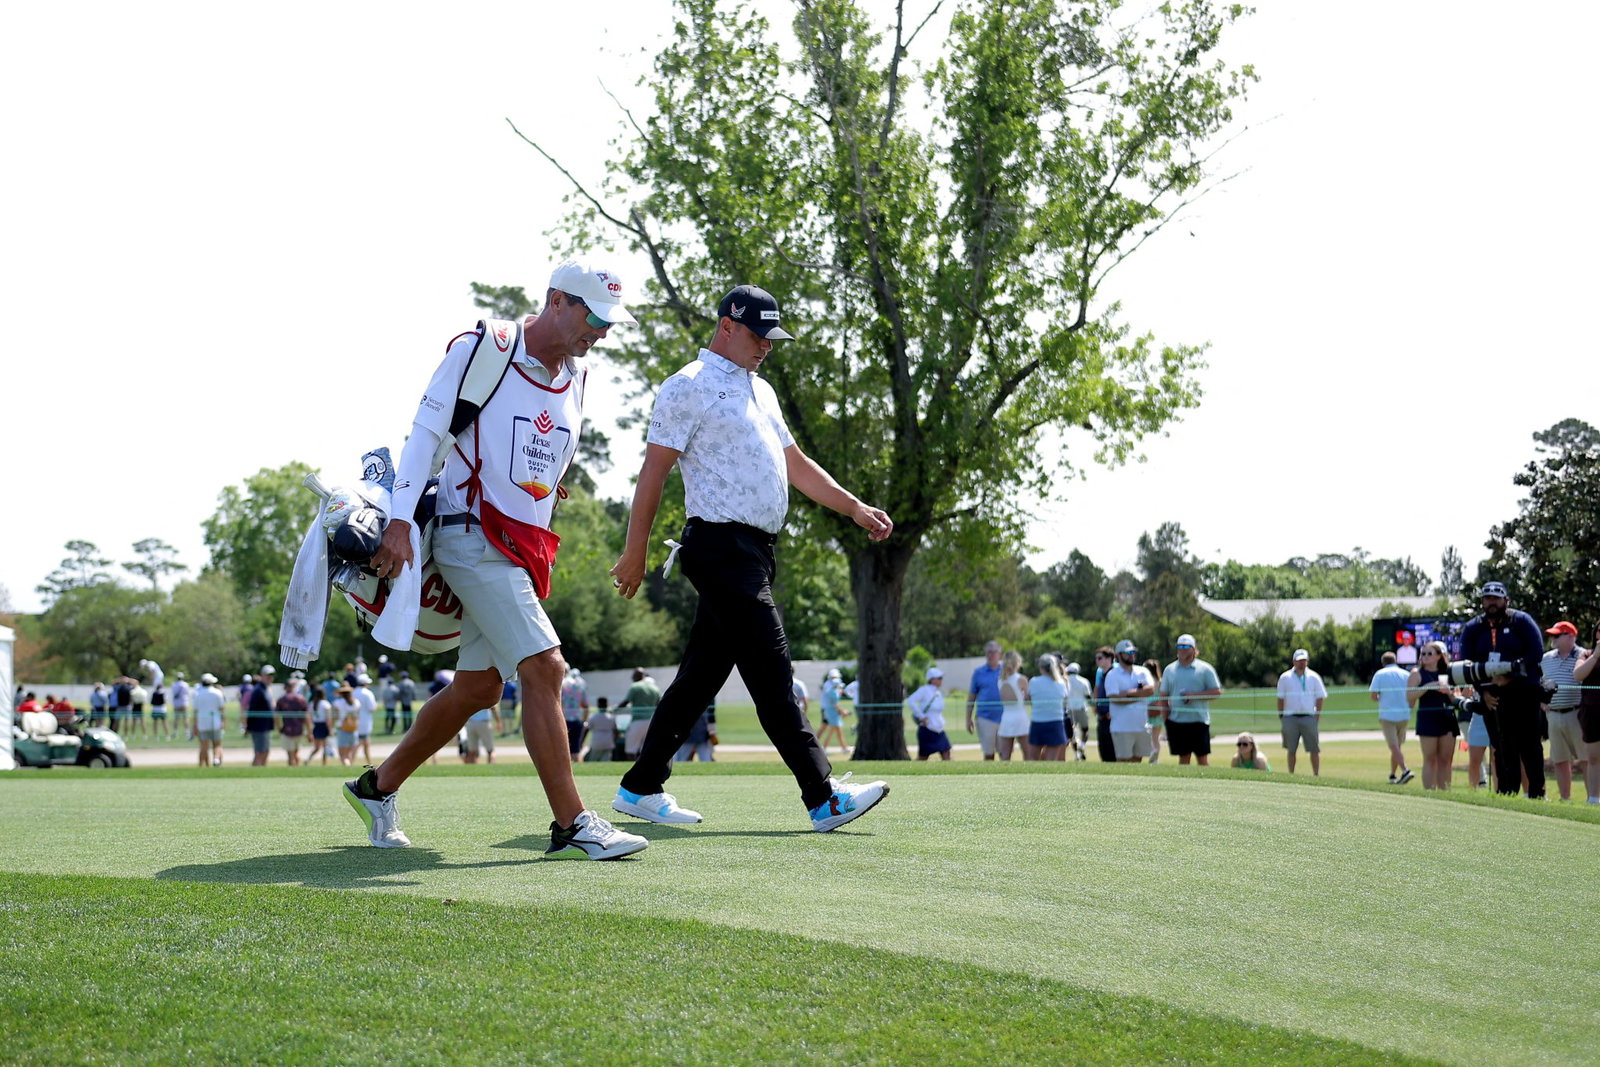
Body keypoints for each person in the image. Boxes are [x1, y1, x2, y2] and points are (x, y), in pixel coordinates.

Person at [350, 258, 647, 859]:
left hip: (521, 547)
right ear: (557, 300)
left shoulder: (580, 378)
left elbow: (539, 455)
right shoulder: (482, 348)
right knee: (547, 668)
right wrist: (402, 522)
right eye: (594, 317)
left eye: (611, 323)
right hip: (469, 537)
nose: (603, 332)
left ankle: (376, 788)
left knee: (480, 688)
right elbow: (425, 437)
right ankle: (572, 825)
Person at [607, 283, 891, 832]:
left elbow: (797, 464)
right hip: (717, 546)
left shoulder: (761, 391)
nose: (766, 346)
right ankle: (823, 795)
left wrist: (853, 508)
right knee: (771, 667)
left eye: (772, 338)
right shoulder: (686, 386)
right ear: (728, 326)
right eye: (758, 336)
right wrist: (634, 550)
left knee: (699, 678)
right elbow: (654, 472)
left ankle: (640, 787)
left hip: (756, 551)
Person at [1459, 581, 1546, 799]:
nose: (1492, 602)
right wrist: (1483, 691)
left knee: (1529, 744)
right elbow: (1466, 662)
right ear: (1482, 602)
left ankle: (1536, 793)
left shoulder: (1521, 621)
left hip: (1524, 691)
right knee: (1501, 745)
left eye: (1496, 598)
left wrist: (1510, 676)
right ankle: (1507, 792)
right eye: (1488, 598)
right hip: (1492, 694)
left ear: (1505, 600)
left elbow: (1536, 653)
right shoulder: (1473, 628)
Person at [1159, 634, 1223, 766]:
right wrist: (1166, 720)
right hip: (1177, 721)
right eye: (1180, 646)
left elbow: (1216, 692)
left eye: (1186, 647)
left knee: (1202, 759)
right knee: (1183, 759)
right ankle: (1184, 786)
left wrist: (1194, 695)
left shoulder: (1205, 669)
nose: (1182, 649)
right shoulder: (1169, 670)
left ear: (1194, 649)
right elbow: (1164, 696)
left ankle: (1207, 785)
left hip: (1199, 720)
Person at [1541, 621, 1587, 802]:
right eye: (1553, 635)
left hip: (1576, 713)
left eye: (1557, 635)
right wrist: (1541, 702)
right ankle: (1565, 798)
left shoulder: (1584, 655)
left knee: (1586, 758)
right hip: (1553, 714)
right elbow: (1540, 682)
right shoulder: (1546, 658)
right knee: (1559, 759)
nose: (1553, 639)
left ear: (1571, 637)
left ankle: (1592, 798)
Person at [1407, 641, 1459, 790]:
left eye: (1429, 653)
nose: (1425, 656)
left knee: (1446, 759)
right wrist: (1428, 686)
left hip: (1447, 717)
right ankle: (1429, 793)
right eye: (1423, 653)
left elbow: (1456, 698)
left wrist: (1448, 691)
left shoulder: (1448, 672)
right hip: (1427, 718)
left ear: (1439, 656)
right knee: (1430, 759)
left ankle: (1445, 793)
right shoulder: (1417, 674)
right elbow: (1409, 696)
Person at [1104, 639, 1155, 762]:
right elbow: (1115, 698)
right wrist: (1139, 696)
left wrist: (1128, 693)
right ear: (1118, 655)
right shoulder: (1112, 675)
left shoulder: (1143, 671)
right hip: (1121, 727)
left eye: (1133, 652)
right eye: (1127, 653)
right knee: (1123, 761)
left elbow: (1151, 690)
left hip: (1142, 725)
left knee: (1138, 761)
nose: (1131, 655)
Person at [1276, 649, 1326, 775]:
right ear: (1294, 661)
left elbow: (1320, 696)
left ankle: (1316, 775)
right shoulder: (1285, 677)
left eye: (1304, 661)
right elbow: (1280, 698)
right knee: (1291, 749)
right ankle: (1291, 774)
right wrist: (1282, 715)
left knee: (1314, 749)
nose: (1301, 663)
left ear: (1307, 661)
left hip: (1309, 716)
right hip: (1290, 717)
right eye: (1299, 661)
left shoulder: (1314, 677)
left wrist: (1317, 715)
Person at [1369, 651, 1416, 784]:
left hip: (1387, 715)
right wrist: (1409, 708)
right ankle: (1392, 775)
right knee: (1397, 747)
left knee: (1393, 746)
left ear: (1383, 662)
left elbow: (1373, 696)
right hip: (1404, 714)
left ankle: (1405, 770)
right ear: (1395, 661)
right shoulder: (1406, 675)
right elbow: (1413, 696)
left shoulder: (1379, 674)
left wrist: (1382, 699)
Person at [964, 640, 1005, 760]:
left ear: (1000, 654)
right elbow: (972, 696)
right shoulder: (978, 673)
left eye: (994, 652)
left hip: (1004, 717)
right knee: (989, 753)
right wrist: (968, 719)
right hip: (985, 717)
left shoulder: (1006, 671)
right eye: (989, 652)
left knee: (1004, 752)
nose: (991, 655)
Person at [1574, 622, 1600, 805]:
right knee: (1593, 757)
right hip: (1591, 712)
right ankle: (1593, 798)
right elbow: (1578, 675)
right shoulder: (1587, 654)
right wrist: (1596, 655)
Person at [1026, 654, 1070, 761]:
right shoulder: (1061, 684)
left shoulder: (1034, 681)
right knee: (1052, 760)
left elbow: (1027, 699)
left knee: (1032, 759)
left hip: (1038, 722)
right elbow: (1065, 700)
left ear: (1041, 667)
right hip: (1056, 723)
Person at [617, 668, 662, 759]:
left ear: (637, 675)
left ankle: (634, 772)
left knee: (631, 751)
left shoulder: (635, 686)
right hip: (651, 722)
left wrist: (615, 709)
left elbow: (626, 702)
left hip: (637, 721)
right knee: (645, 751)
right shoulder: (655, 688)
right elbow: (659, 704)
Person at [907, 666, 951, 761]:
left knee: (946, 753)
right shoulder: (925, 690)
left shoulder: (938, 692)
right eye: (939, 678)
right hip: (927, 729)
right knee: (923, 757)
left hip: (938, 729)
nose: (941, 680)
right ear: (932, 680)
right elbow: (911, 701)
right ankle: (912, 772)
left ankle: (949, 773)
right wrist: (921, 716)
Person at [996, 651, 1031, 761]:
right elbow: (1027, 698)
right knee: (1028, 754)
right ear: (1017, 663)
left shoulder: (1000, 680)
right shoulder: (1021, 679)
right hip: (1020, 717)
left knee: (1005, 756)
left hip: (1006, 718)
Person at [245, 665, 276, 766]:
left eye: (271, 676)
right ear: (262, 676)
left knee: (265, 751)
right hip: (259, 727)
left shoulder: (267, 689)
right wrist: (248, 726)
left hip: (266, 726)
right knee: (260, 753)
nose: (270, 678)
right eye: (267, 676)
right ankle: (255, 775)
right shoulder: (258, 690)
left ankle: (262, 773)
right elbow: (251, 709)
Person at [192, 673, 226, 767]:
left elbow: (195, 711)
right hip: (216, 722)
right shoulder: (217, 693)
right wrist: (223, 721)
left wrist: (195, 725)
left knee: (204, 746)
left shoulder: (197, 694)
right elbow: (222, 709)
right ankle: (216, 760)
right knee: (217, 744)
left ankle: (202, 765)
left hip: (202, 723)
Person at [816, 669, 851, 756]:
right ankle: (818, 746)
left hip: (829, 709)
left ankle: (843, 747)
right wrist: (842, 711)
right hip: (829, 710)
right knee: (829, 729)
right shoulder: (830, 688)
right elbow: (834, 702)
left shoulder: (830, 686)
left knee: (834, 729)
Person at [276, 679, 310, 766]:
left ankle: (293, 772)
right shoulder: (301, 699)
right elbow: (306, 717)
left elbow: (276, 716)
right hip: (299, 729)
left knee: (291, 755)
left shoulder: (281, 700)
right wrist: (309, 731)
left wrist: (279, 728)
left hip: (287, 729)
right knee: (296, 753)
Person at [1091, 646, 1116, 762]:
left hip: (1113, 719)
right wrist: (1094, 704)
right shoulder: (1100, 672)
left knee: (1112, 752)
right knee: (1104, 751)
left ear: (1109, 658)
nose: (1097, 660)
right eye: (1097, 658)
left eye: (1100, 658)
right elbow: (1097, 688)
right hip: (1102, 718)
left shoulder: (1116, 672)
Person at [1064, 661, 1092, 760]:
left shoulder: (1065, 680)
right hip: (1081, 708)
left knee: (1072, 733)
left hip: (1069, 709)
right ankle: (1082, 747)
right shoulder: (1084, 681)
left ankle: (1076, 754)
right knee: (1085, 730)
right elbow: (1088, 696)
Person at [560, 668, 588, 759]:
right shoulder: (581, 686)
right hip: (577, 718)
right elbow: (585, 705)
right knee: (576, 747)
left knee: (564, 747)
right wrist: (584, 720)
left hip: (565, 719)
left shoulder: (564, 684)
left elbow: (560, 703)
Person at [351, 673, 378, 764]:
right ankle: (351, 762)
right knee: (360, 743)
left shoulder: (353, 692)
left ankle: (369, 762)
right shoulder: (368, 693)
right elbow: (372, 708)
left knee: (365, 743)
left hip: (355, 721)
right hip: (365, 722)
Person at [1143, 657, 1166, 763]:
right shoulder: (1160, 681)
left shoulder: (1147, 682)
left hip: (1148, 710)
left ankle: (1153, 752)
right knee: (1156, 736)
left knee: (1148, 735)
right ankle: (1155, 756)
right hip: (1158, 711)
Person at [332, 683, 361, 766]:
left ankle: (347, 768)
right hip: (354, 729)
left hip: (342, 729)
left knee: (343, 755)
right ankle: (350, 766)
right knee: (349, 754)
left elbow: (335, 717)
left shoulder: (338, 703)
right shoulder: (356, 702)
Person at [307, 682, 334, 765]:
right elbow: (328, 719)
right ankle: (324, 763)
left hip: (316, 726)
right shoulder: (326, 704)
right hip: (323, 726)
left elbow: (309, 717)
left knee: (317, 748)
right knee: (325, 747)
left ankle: (308, 760)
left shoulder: (312, 704)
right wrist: (330, 729)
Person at [583, 697, 617, 762]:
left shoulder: (593, 717)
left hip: (597, 741)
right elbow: (616, 731)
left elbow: (587, 729)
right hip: (608, 741)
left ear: (598, 705)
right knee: (605, 762)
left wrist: (582, 741)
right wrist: (613, 741)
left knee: (593, 761)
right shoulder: (611, 717)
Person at [169, 672, 190, 739]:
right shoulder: (185, 684)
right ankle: (187, 733)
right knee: (185, 719)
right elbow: (187, 693)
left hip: (176, 704)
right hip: (184, 703)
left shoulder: (174, 684)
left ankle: (176, 733)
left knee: (176, 719)